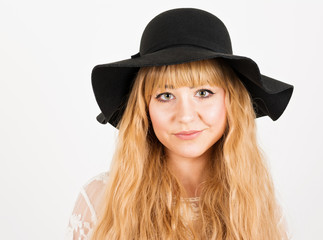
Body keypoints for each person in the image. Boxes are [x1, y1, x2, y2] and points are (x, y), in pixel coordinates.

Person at [66, 8, 293, 240]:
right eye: (165, 95)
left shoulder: (258, 206)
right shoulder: (101, 201)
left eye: (203, 93)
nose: (185, 116)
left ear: (231, 102)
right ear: (144, 109)